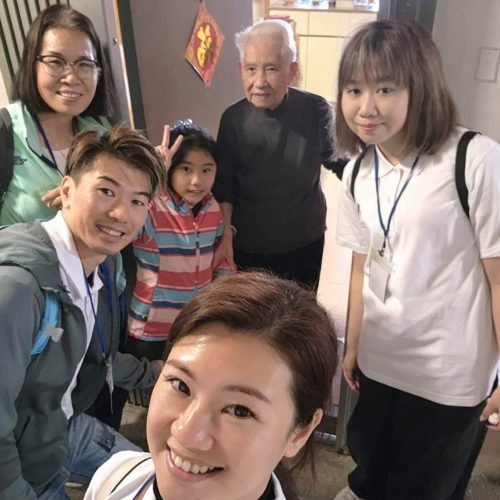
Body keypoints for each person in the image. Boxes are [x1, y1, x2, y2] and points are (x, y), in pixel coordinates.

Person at [333, 20, 500, 500]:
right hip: (380, 359)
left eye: (385, 88)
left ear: (420, 87)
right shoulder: (358, 171)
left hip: (449, 372)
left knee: (424, 487)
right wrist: (353, 347)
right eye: (354, 89)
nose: (366, 107)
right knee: (371, 469)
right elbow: (362, 266)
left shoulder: (474, 159)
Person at [0, 125, 166, 500]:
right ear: (66, 191)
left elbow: (98, 356)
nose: (121, 214)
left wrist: (160, 373)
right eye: (106, 191)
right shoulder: (19, 288)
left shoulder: (101, 267)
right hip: (23, 465)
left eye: (138, 201)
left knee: (159, 482)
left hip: (61, 427)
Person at [85, 271, 338, 500]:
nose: (186, 432)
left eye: (239, 410)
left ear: (299, 433)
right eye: (181, 386)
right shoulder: (115, 477)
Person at [213, 19, 347, 290]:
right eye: (251, 69)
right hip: (249, 245)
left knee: (300, 309)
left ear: (292, 71)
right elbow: (225, 186)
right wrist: (225, 235)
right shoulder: (232, 120)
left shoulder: (316, 110)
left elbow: (339, 162)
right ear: (241, 70)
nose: (259, 82)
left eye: (271, 68)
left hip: (305, 242)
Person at [127, 120, 235, 361]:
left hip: (195, 324)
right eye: (186, 169)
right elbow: (126, 222)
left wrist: (223, 290)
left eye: (206, 170)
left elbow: (219, 259)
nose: (197, 180)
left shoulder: (212, 208)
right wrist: (150, 177)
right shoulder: (152, 206)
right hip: (151, 329)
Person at [1, 3, 115, 225]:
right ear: (32, 65)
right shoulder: (5, 132)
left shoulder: (103, 132)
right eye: (55, 62)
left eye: (84, 64)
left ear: (98, 72)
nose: (71, 77)